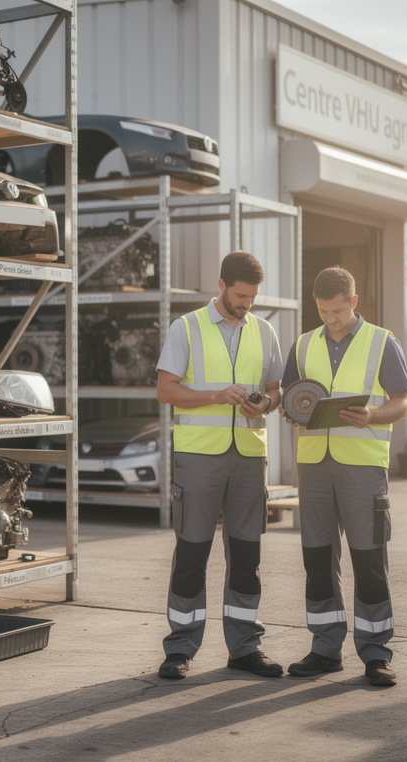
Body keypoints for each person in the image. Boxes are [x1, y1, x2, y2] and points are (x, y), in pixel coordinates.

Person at [154, 250, 284, 680]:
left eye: (252, 297)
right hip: (198, 458)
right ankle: (180, 647)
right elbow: (166, 390)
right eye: (241, 295)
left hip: (249, 457)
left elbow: (276, 390)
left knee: (247, 557)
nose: (247, 303)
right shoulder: (186, 327)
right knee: (192, 553)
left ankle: (245, 647)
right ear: (221, 285)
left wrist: (265, 403)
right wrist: (214, 395)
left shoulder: (264, 331)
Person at [280, 266, 407, 686]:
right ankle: (325, 649)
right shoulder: (303, 345)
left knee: (369, 560)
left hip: (363, 466)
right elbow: (289, 397)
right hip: (314, 466)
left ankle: (376, 653)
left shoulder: (382, 341)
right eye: (322, 311)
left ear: (353, 302)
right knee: (318, 559)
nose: (330, 318)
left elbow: (404, 400)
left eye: (337, 311)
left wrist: (373, 414)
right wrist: (290, 411)